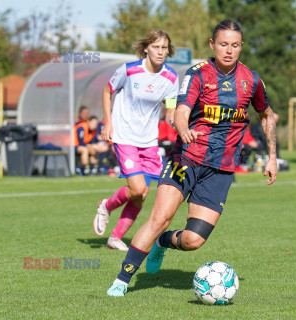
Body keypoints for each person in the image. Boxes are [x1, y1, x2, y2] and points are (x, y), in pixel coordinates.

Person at [105, 20, 278, 296]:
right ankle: (122, 280)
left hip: (220, 169)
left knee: (193, 241)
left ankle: (163, 243)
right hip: (185, 159)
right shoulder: (197, 74)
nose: (229, 50)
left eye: (235, 45)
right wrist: (183, 130)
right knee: (160, 217)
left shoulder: (251, 79)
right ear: (212, 45)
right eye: (223, 44)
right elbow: (181, 110)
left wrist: (272, 156)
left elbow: (267, 115)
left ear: (241, 47)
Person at [93, 29, 179, 251]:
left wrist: (174, 119)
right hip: (125, 136)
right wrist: (108, 122)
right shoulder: (129, 70)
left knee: (141, 196)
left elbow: (170, 109)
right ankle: (106, 205)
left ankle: (115, 238)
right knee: (138, 188)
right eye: (156, 47)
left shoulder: (171, 77)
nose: (161, 52)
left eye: (164, 48)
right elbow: (106, 91)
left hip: (149, 142)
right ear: (146, 48)